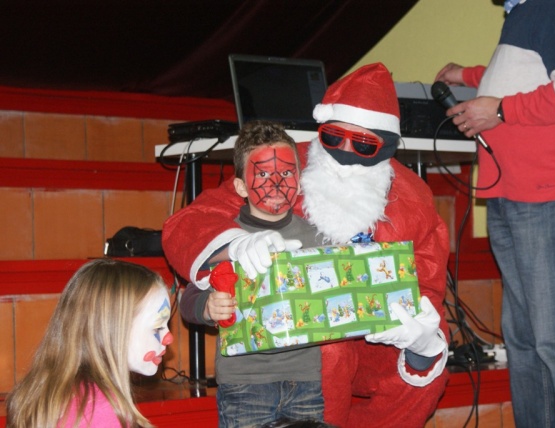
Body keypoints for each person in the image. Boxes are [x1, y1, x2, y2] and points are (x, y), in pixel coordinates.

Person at [164, 62, 451, 428]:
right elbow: (190, 221)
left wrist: (422, 342)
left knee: (430, 363)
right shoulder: (285, 164)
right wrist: (235, 245)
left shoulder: (413, 200)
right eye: (332, 137)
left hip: (375, 340)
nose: (344, 151)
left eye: (364, 144)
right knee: (329, 352)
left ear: (388, 146)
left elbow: (427, 287)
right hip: (300, 349)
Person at [434, 0, 555, 426]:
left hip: (553, 194)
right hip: (517, 194)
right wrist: (469, 76)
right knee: (526, 341)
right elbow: (528, 78)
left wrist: (497, 110)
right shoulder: (526, 13)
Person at [179, 120, 326, 427]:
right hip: (245, 383)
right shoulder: (224, 240)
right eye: (263, 174)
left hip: (306, 379)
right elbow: (188, 298)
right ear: (241, 186)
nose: (276, 184)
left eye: (286, 173)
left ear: (299, 181)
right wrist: (207, 306)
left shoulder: (318, 237)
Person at [6, 258, 173, 428]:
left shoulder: (48, 392)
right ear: (112, 329)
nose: (169, 338)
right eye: (157, 327)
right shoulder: (100, 410)